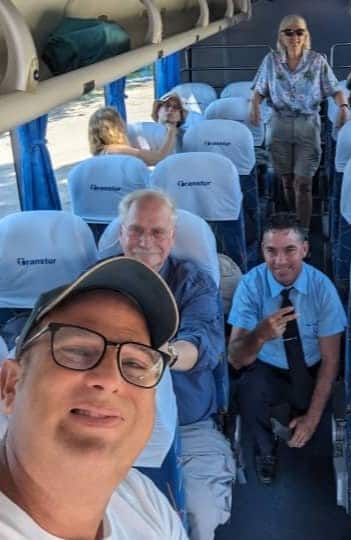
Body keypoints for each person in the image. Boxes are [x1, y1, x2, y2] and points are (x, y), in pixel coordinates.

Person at [0, 256, 187, 539]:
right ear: (10, 386)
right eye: (77, 352)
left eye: (133, 364)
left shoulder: (143, 502)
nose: (110, 380)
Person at [117, 189, 234, 540]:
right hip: (114, 427)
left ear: (171, 237)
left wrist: (157, 356)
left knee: (200, 515)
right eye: (136, 230)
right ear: (121, 233)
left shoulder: (192, 282)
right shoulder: (96, 283)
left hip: (189, 427)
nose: (145, 241)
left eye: (157, 232)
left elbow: (201, 344)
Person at [227, 212, 346, 485]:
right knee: (248, 389)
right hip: (267, 364)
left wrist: (312, 419)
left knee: (310, 412)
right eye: (271, 251)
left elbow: (331, 361)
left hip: (310, 366)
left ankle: (305, 421)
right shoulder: (250, 285)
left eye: (289, 250)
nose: (280, 261)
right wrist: (259, 335)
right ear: (262, 251)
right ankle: (265, 450)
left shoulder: (322, 289)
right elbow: (235, 359)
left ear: (305, 249)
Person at [250, 14, 348, 230]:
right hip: (279, 123)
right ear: (281, 36)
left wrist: (343, 107)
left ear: (306, 35)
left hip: (307, 124)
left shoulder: (317, 60)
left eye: (300, 31)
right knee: (286, 180)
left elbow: (335, 89)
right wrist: (254, 105)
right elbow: (259, 89)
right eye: (289, 32)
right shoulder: (270, 60)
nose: (295, 36)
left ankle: (302, 231)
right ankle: (292, 216)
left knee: (303, 183)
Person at [88, 106, 176, 166]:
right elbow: (158, 158)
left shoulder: (101, 153)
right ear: (116, 128)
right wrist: (171, 132)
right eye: (120, 119)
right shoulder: (118, 150)